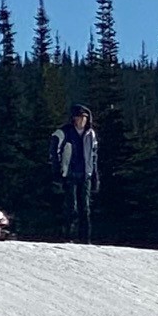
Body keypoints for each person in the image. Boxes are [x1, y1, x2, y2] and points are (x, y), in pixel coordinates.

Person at [49, 104, 100, 243]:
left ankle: (85, 239)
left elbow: (93, 156)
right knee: (72, 207)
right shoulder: (64, 132)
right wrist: (57, 172)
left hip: (85, 175)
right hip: (70, 174)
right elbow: (54, 151)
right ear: (74, 118)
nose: (82, 120)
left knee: (85, 209)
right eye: (79, 117)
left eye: (84, 117)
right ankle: (68, 237)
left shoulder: (91, 134)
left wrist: (95, 175)